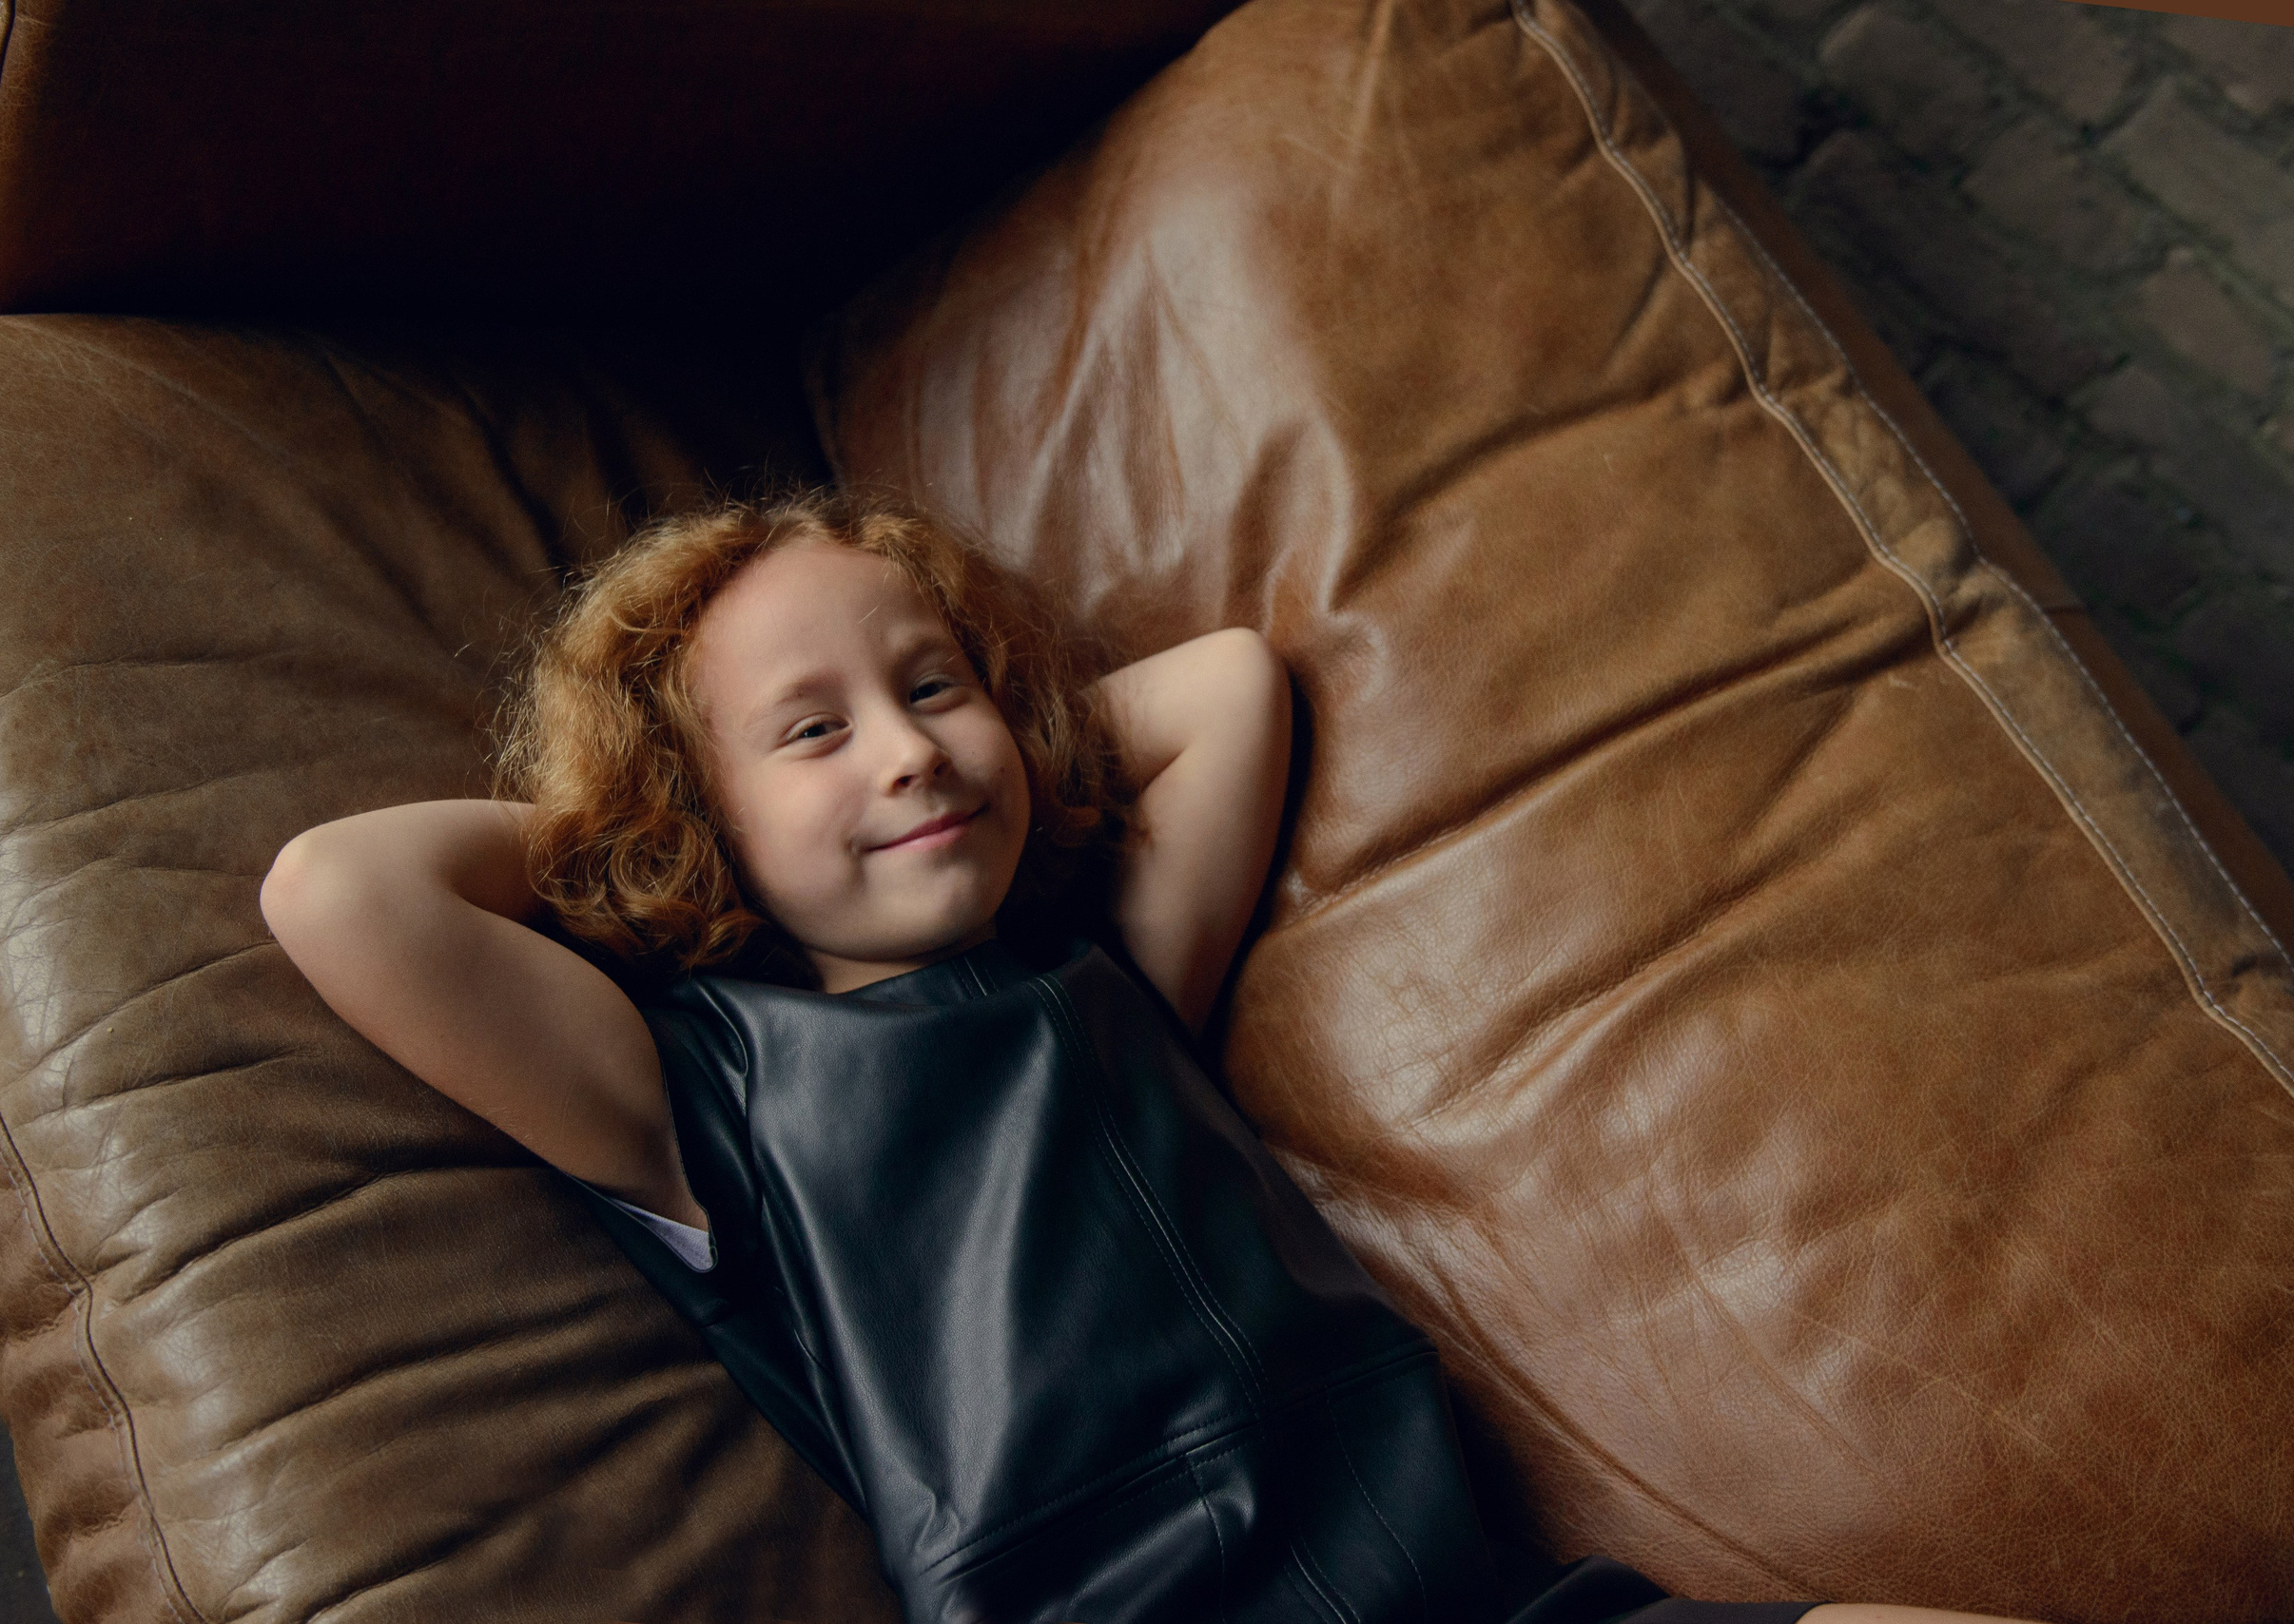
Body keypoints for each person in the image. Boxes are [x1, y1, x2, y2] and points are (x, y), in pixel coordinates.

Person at [262, 492, 2037, 1624]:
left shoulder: (1108, 978)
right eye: (814, 730)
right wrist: (646, 836)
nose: (905, 753)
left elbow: (1225, 691)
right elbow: (343, 890)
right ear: (698, 811)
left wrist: (994, 747)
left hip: (1472, 1597)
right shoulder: (691, 1097)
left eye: (934, 684)